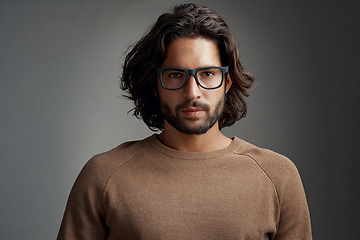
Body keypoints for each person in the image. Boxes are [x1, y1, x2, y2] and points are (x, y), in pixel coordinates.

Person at [57, 3, 312, 239]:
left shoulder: (278, 177)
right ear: (155, 84)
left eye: (208, 73)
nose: (192, 92)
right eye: (176, 74)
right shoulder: (103, 176)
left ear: (227, 82)